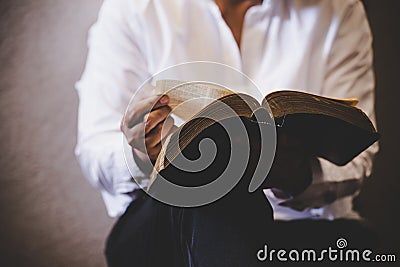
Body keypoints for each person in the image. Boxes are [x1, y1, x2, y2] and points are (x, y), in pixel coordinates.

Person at [75, 0, 378, 265]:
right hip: (167, 224)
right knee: (216, 188)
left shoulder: (339, 10)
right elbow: (95, 149)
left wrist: (296, 174)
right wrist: (142, 154)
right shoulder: (135, 8)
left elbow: (357, 157)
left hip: (295, 224)